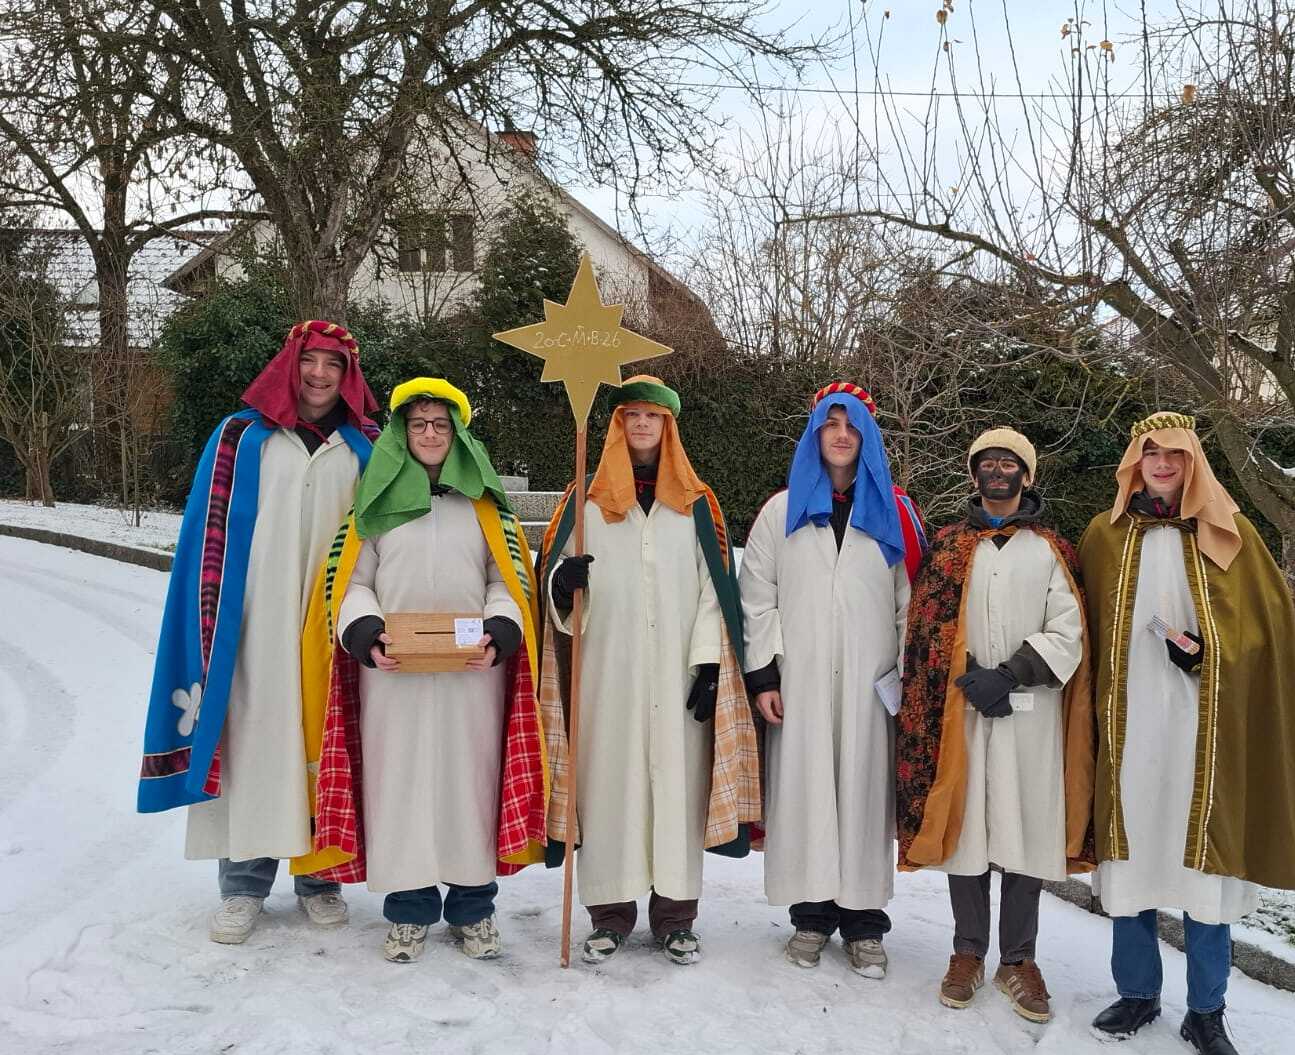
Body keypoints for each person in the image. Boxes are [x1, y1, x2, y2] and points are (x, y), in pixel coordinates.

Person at [1078, 411, 1295, 1055]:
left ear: (1193, 464)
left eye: (1175, 455)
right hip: (1127, 730)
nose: (1161, 464)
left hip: (1204, 733)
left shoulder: (1231, 535)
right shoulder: (1105, 536)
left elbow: (1264, 635)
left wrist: (1214, 654)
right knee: (1133, 856)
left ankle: (1206, 1011)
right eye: (1150, 453)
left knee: (1206, 867)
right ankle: (1137, 994)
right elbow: (1080, 625)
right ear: (1135, 462)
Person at [138, 320, 377, 944]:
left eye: (334, 364)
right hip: (253, 622)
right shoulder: (240, 437)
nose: (320, 375)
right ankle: (243, 886)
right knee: (253, 743)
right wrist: (212, 620)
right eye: (310, 361)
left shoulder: (367, 446)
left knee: (325, 741)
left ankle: (320, 879)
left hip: (331, 621)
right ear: (289, 365)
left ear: (348, 376)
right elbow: (207, 532)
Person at [297, 378, 548, 962]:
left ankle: (473, 909)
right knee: (400, 789)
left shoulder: (484, 508)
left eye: (440, 424)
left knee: (470, 790)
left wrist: (502, 626)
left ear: (457, 433)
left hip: (473, 677)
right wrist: (364, 630)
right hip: (393, 677)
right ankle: (408, 913)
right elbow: (351, 582)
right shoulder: (374, 506)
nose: (430, 434)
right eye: (418, 425)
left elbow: (504, 579)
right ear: (401, 433)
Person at [537, 375, 760, 966]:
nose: (641, 424)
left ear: (668, 426)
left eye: (652, 416)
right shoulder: (584, 499)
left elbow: (716, 587)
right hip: (605, 676)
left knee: (676, 792)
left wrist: (708, 665)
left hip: (678, 678)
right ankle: (609, 915)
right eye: (631, 414)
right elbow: (552, 579)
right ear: (616, 425)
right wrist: (561, 584)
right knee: (609, 788)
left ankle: (675, 916)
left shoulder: (695, 502)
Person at [896, 428, 1095, 1023]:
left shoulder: (1051, 549)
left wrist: (1010, 674)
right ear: (975, 474)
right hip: (962, 711)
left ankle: (1019, 959)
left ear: (1026, 476)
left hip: (1031, 713)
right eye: (988, 462)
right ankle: (967, 952)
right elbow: (926, 628)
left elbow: (1070, 628)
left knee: (1028, 827)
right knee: (968, 830)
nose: (998, 471)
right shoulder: (950, 545)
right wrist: (969, 678)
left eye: (1010, 463)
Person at [739, 382, 926, 978]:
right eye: (831, 424)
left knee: (865, 797)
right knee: (809, 791)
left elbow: (910, 603)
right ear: (815, 433)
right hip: (802, 678)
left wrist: (905, 679)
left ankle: (865, 924)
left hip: (873, 682)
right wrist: (764, 675)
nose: (842, 435)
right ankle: (812, 916)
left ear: (867, 437)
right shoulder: (782, 510)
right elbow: (757, 597)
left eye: (852, 426)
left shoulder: (893, 513)